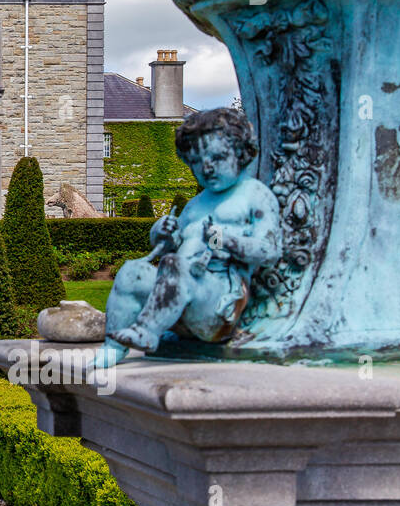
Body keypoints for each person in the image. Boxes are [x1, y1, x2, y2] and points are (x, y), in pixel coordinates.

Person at [94, 108, 282, 366]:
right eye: (196, 161)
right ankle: (113, 347)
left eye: (217, 157)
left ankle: (145, 332)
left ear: (241, 153)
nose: (207, 167)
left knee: (175, 266)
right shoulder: (195, 205)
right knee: (132, 271)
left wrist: (224, 239)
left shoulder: (254, 195)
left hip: (218, 305)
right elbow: (171, 247)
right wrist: (162, 231)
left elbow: (270, 250)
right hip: (177, 301)